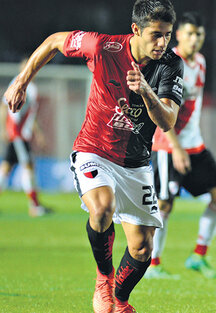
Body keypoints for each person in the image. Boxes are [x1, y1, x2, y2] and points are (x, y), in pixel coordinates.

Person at [3, 1, 183, 312]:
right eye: (156, 35)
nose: (162, 43)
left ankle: (121, 301)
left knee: (142, 249)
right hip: (94, 150)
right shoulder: (104, 47)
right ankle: (103, 279)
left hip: (136, 163)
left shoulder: (170, 64)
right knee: (102, 209)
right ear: (136, 30)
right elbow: (55, 41)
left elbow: (167, 121)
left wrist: (145, 92)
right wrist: (21, 80)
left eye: (167, 35)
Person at [145, 12, 216, 280]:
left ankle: (198, 256)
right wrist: (177, 148)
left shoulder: (201, 62)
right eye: (190, 33)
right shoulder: (168, 64)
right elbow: (160, 111)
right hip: (169, 146)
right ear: (178, 35)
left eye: (199, 34)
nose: (195, 39)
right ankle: (153, 264)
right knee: (164, 204)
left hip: (195, 145)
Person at [0, 59, 51, 217]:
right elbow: (4, 106)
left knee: (7, 168)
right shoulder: (19, 83)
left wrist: (38, 133)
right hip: (18, 134)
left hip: (21, 134)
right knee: (28, 167)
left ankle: (35, 205)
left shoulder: (31, 87)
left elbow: (30, 115)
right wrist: (4, 129)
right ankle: (35, 206)